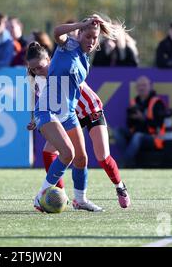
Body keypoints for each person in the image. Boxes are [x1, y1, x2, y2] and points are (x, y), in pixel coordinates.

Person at [32, 15, 124, 213]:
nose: (91, 41)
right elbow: (57, 32)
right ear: (80, 34)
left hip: (68, 113)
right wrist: (82, 24)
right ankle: (40, 196)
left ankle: (80, 200)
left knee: (81, 159)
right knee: (68, 154)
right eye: (88, 36)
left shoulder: (84, 59)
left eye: (95, 37)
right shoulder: (68, 46)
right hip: (48, 110)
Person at [114, 76, 172, 168]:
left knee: (138, 136)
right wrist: (132, 118)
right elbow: (129, 124)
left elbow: (157, 125)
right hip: (136, 133)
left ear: (150, 86)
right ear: (136, 88)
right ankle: (129, 160)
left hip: (154, 137)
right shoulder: (134, 102)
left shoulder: (157, 102)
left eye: (144, 85)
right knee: (118, 131)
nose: (142, 88)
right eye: (139, 86)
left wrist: (142, 118)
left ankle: (123, 162)